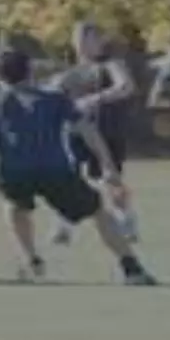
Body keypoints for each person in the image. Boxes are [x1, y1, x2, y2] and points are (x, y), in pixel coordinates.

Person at [0, 48, 156, 286]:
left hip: (13, 173)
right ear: (29, 72)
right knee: (98, 212)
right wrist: (108, 166)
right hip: (56, 171)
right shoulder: (54, 99)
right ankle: (131, 268)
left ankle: (31, 259)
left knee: (14, 205)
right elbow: (88, 130)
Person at [47, 21, 142, 244]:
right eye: (79, 38)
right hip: (76, 133)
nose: (82, 44)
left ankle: (127, 220)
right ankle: (64, 226)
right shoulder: (67, 74)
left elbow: (126, 86)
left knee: (110, 179)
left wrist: (95, 99)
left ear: (99, 41)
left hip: (107, 131)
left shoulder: (111, 65)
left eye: (88, 38)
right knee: (69, 178)